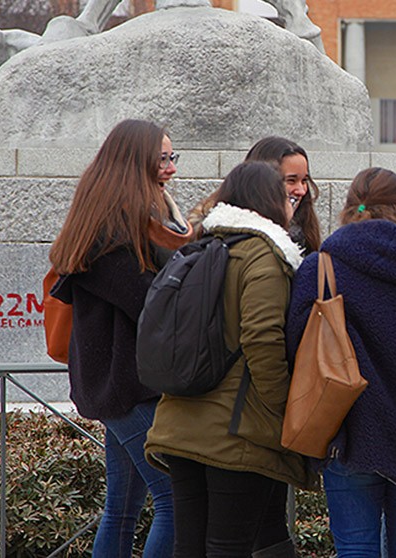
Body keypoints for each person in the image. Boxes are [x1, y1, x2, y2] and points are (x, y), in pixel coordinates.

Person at [145, 161, 316, 557]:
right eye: (285, 194)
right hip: (237, 431)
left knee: (190, 545)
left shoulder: (199, 247)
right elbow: (262, 338)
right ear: (268, 202)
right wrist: (282, 408)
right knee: (229, 546)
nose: (294, 200)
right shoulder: (263, 255)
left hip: (180, 422)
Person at [286, 168, 396, 558]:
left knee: (356, 548)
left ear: (348, 207)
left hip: (347, 431)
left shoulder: (322, 266)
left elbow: (295, 346)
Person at [48, 119, 192, 558]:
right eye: (162, 159)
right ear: (136, 164)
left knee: (123, 510)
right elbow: (149, 303)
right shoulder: (112, 234)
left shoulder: (135, 220)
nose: (170, 169)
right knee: (176, 501)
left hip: (123, 384)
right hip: (126, 387)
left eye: (172, 157)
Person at [190, 136, 322, 255]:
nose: (301, 190)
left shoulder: (303, 228)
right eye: (291, 180)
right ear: (264, 180)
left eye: (304, 181)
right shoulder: (222, 232)